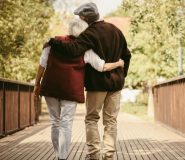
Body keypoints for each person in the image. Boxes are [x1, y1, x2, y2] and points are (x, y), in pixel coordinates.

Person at [48, 2, 131, 160]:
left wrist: (53, 42)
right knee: (111, 121)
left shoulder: (89, 33)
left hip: (97, 85)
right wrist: (122, 76)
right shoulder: (116, 30)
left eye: (80, 17)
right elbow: (127, 55)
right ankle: (108, 156)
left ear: (85, 17)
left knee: (92, 119)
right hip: (116, 85)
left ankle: (93, 155)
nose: (80, 20)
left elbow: (73, 50)